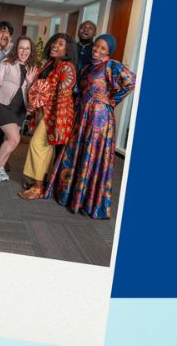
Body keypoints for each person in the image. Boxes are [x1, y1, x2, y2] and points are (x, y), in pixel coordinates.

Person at [44, 34, 136, 219]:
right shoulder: (87, 66)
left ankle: (87, 201)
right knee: (77, 153)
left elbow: (132, 81)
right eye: (96, 47)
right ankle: (70, 195)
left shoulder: (112, 66)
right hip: (82, 116)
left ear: (108, 51)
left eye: (103, 48)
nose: (97, 50)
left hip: (99, 119)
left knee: (90, 156)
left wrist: (111, 99)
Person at [19, 33, 76, 199]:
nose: (54, 46)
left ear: (67, 50)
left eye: (60, 44)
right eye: (53, 43)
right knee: (45, 149)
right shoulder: (49, 64)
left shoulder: (67, 68)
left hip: (56, 114)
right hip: (43, 111)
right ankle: (40, 182)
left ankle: (38, 188)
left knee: (37, 144)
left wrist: (58, 124)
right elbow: (40, 87)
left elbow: (64, 98)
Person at [0, 36, 38, 182]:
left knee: (11, 139)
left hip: (20, 108)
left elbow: (31, 92)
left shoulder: (31, 67)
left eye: (27, 48)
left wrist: (29, 82)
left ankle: (0, 165)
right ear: (16, 49)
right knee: (15, 139)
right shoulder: (7, 62)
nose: (24, 51)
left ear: (31, 50)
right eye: (21, 48)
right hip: (4, 104)